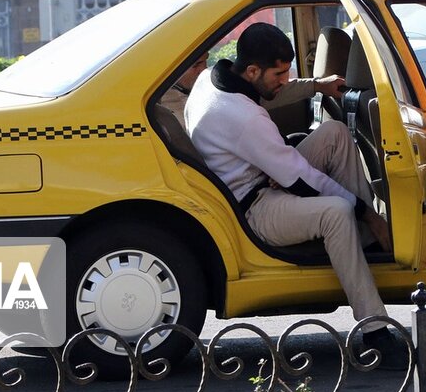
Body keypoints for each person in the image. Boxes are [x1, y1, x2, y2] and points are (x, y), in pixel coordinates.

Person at [185, 22, 407, 367]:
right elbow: (299, 179)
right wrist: (368, 212)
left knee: (333, 132)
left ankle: (360, 244)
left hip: (262, 173)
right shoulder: (243, 118)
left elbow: (272, 93)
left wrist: (317, 86)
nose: (284, 79)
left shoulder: (215, 78)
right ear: (253, 70)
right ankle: (375, 329)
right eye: (279, 73)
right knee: (337, 211)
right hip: (255, 207)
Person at [161, 50, 344, 132]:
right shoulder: (162, 110)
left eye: (205, 61)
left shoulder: (206, 86)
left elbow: (269, 93)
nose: (204, 69)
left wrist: (317, 85)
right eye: (196, 65)